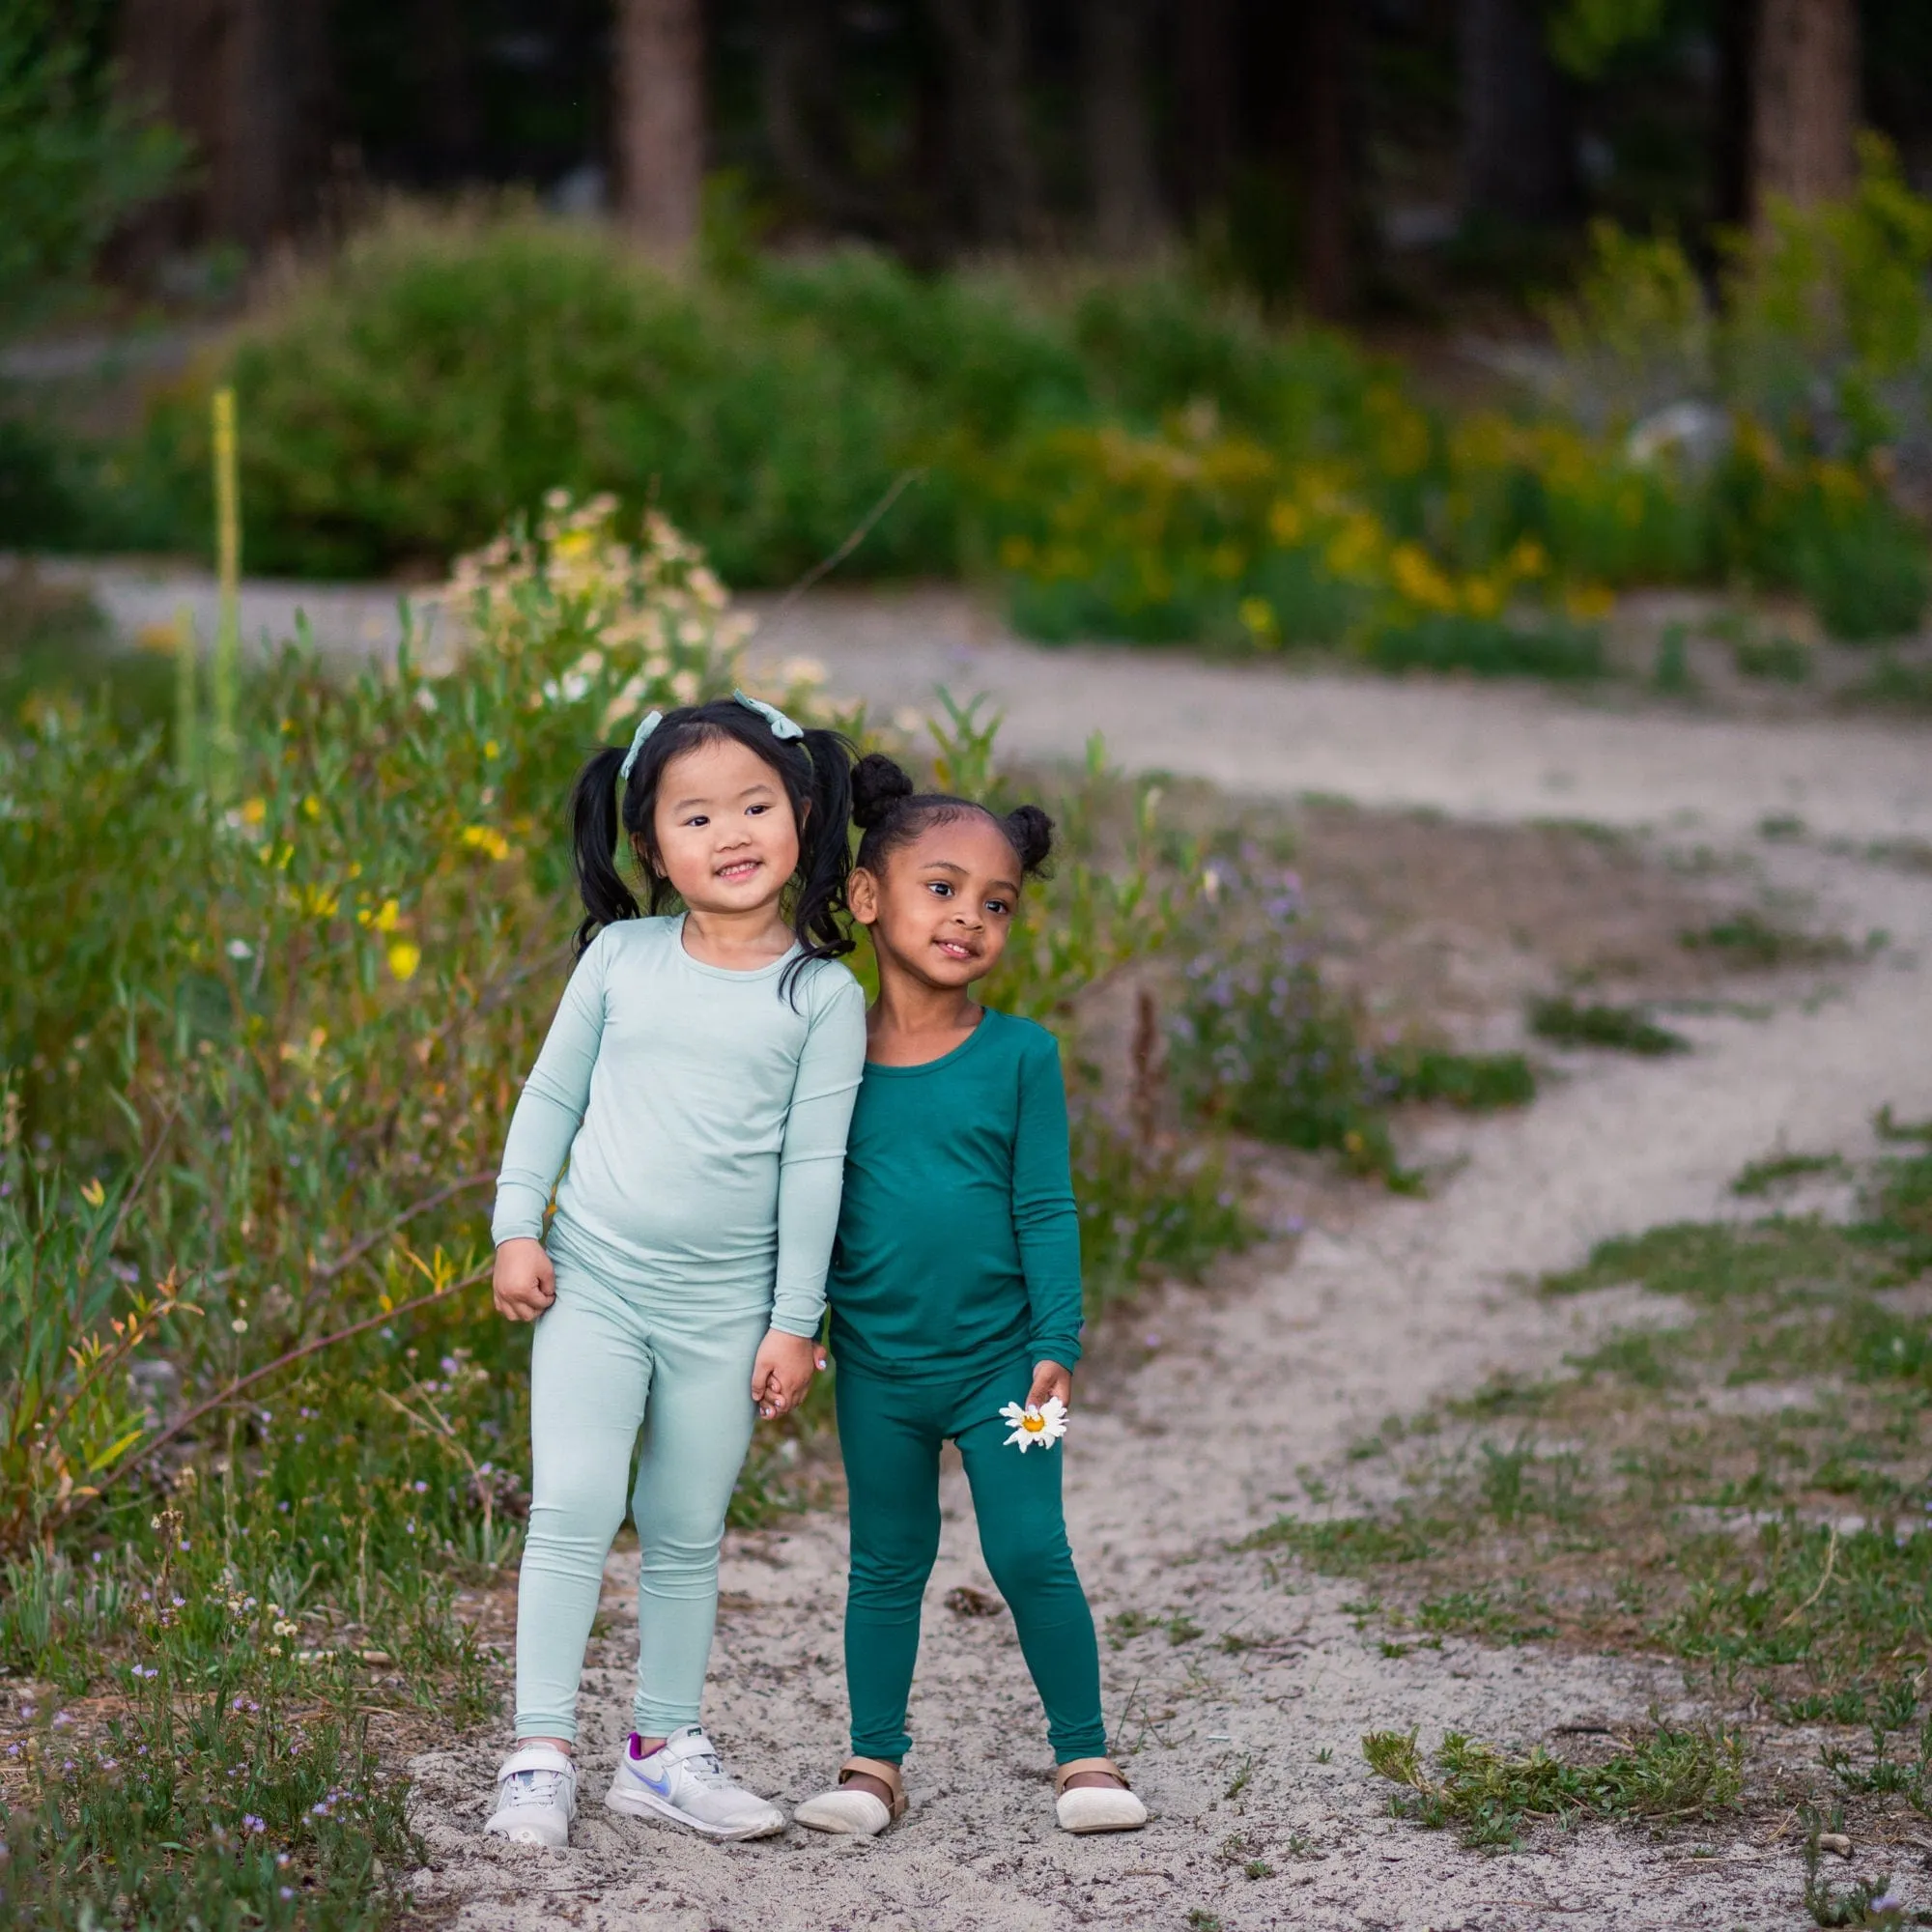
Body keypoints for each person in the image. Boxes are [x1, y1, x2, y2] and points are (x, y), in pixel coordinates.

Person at [483, 693, 867, 1850]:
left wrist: (794, 1320)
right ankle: (539, 1746)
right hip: (593, 1277)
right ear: (651, 845)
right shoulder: (622, 957)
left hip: (728, 1307)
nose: (730, 832)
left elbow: (815, 1169)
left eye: (754, 804)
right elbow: (551, 1095)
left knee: (687, 1523)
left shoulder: (822, 994)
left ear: (801, 813)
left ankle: (658, 1748)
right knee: (577, 1503)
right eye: (694, 816)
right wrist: (516, 1224)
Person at [793, 753, 1148, 1839]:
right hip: (879, 1369)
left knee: (1030, 1547)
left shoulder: (1020, 1055)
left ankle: (1083, 1754)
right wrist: (794, 1325)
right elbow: (794, 1192)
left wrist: (1059, 1334)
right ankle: (870, 1764)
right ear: (866, 897)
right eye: (940, 888)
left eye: (995, 902)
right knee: (885, 1558)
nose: (968, 917)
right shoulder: (823, 1046)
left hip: (1008, 1366)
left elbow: (1045, 1205)